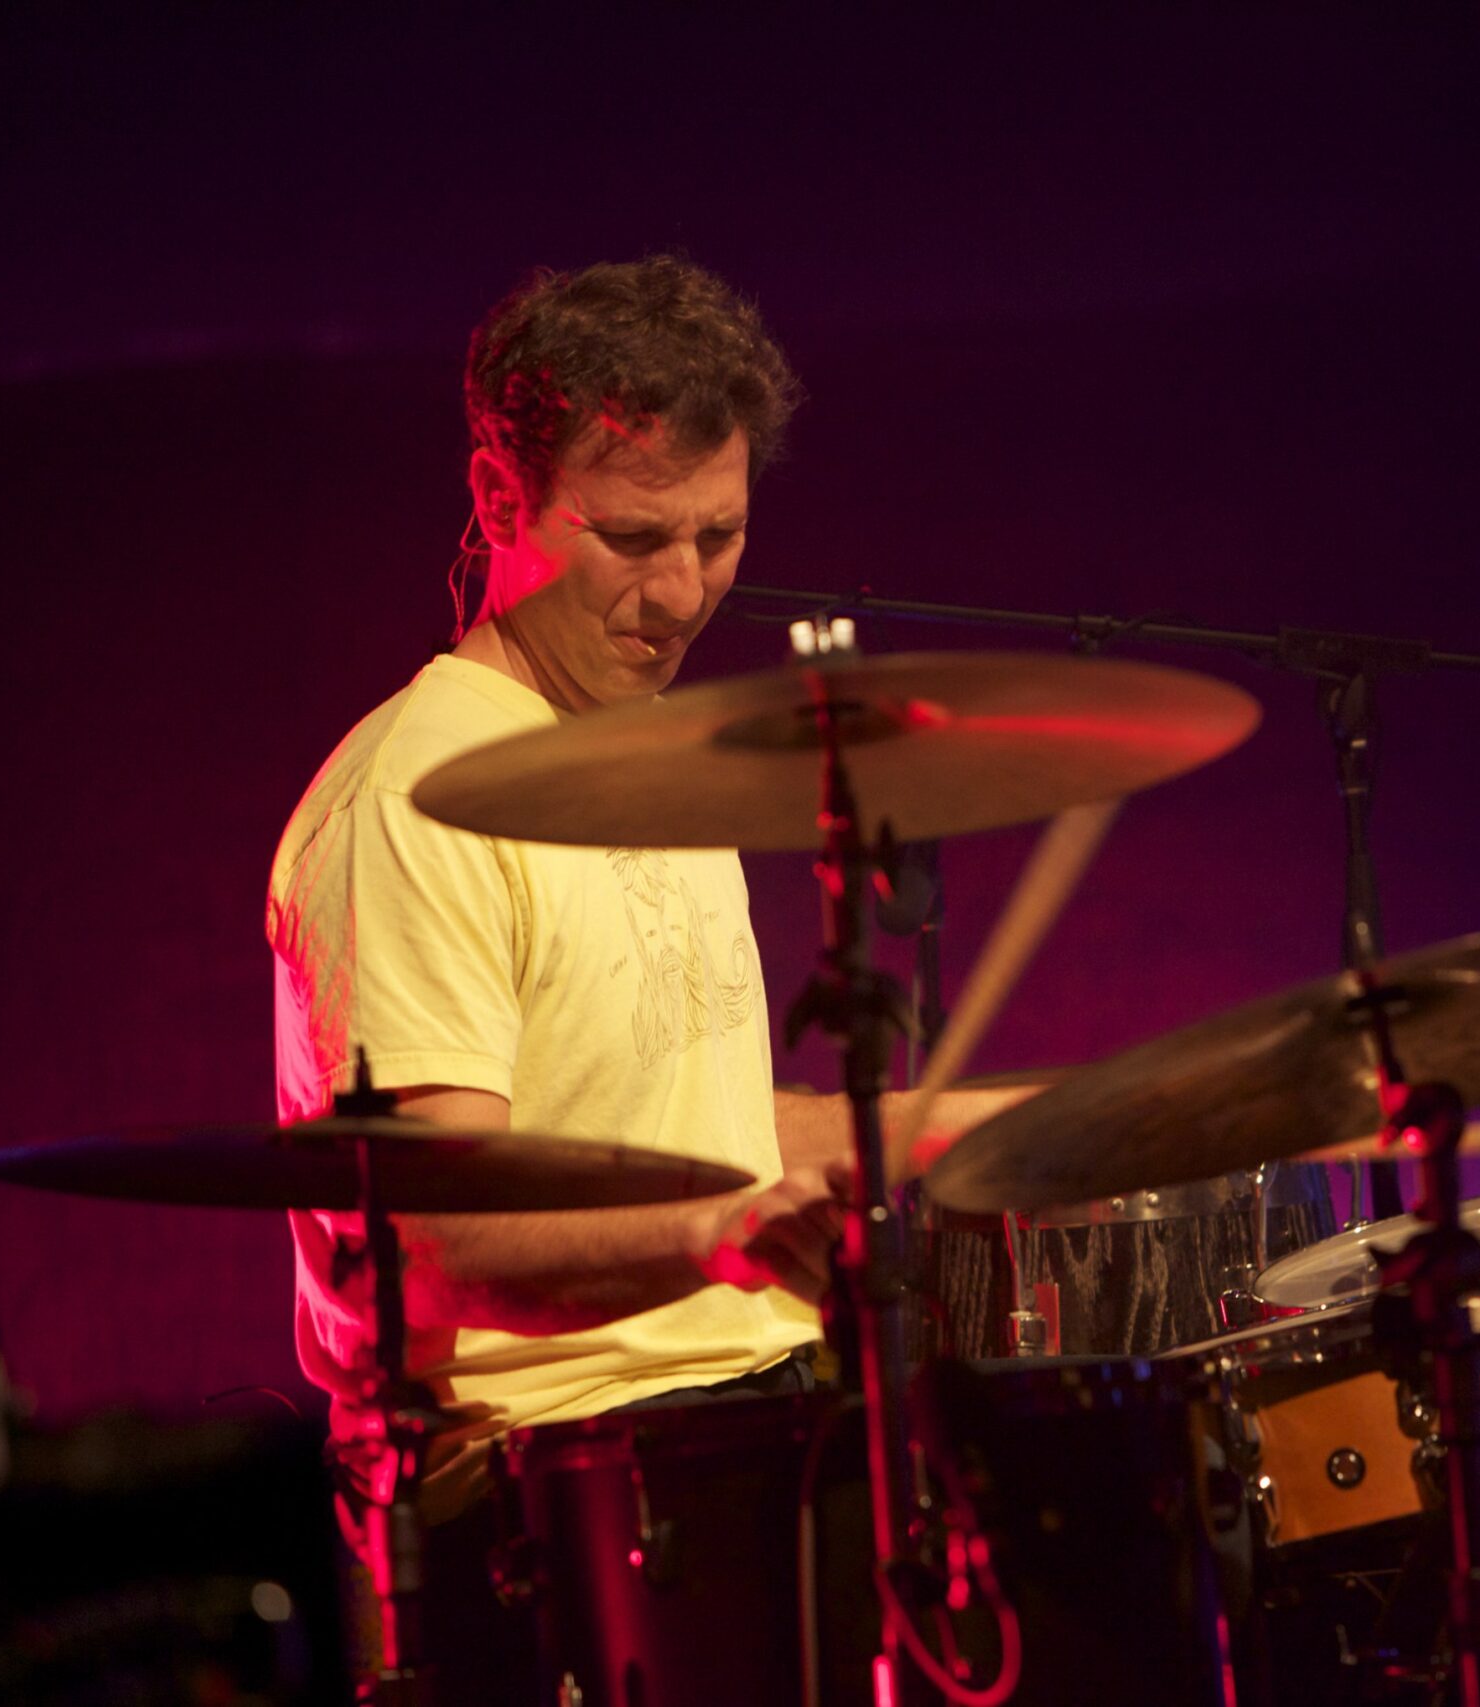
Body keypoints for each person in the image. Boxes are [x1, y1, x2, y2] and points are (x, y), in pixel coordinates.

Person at [266, 258, 1017, 1631]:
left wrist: (1028, 1126)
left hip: (753, 1428)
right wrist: (717, 1239)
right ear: (502, 499)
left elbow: (684, 1131)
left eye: (719, 537)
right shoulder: (417, 797)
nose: (682, 594)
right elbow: (429, 1232)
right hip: (568, 1496)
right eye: (630, 538)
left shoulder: (641, 753)